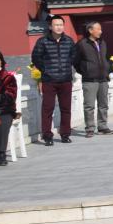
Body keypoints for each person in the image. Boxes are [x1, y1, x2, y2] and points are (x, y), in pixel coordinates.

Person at [30, 14, 76, 146]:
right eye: (56, 25)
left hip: (66, 80)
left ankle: (65, 134)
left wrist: (68, 67)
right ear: (50, 26)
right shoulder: (42, 41)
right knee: (47, 108)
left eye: (61, 25)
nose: (59, 27)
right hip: (49, 81)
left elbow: (74, 56)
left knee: (66, 108)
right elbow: (36, 57)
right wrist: (45, 70)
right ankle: (47, 136)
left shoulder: (69, 41)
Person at [73, 21, 113, 138]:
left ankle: (102, 127)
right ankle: (90, 128)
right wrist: (85, 70)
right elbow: (75, 61)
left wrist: (108, 69)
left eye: (100, 29)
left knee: (103, 104)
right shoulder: (81, 44)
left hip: (103, 79)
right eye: (98, 29)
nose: (101, 31)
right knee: (89, 105)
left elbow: (107, 58)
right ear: (90, 30)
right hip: (89, 80)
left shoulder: (103, 43)